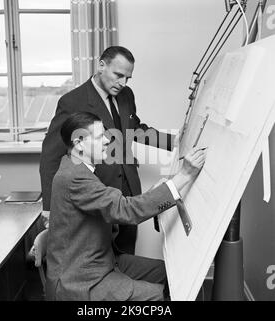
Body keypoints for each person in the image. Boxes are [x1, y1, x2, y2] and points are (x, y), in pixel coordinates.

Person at [46, 112, 206, 301]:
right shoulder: (75, 177)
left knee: (170, 275)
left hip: (103, 260)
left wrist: (154, 193)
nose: (107, 141)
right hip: (81, 280)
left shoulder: (76, 167)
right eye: (99, 137)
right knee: (160, 296)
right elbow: (125, 210)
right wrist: (185, 175)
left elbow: (112, 204)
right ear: (79, 144)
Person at [40, 46, 178, 254]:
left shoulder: (126, 95)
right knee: (102, 261)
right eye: (118, 75)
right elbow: (50, 157)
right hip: (97, 196)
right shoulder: (72, 102)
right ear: (101, 66)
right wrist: (49, 208)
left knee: (127, 257)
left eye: (128, 78)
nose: (122, 83)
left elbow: (136, 130)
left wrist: (175, 141)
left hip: (129, 192)